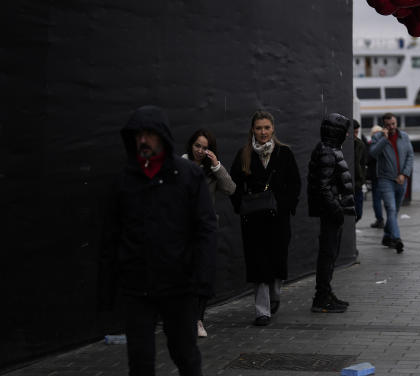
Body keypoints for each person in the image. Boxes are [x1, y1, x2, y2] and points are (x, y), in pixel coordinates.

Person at [99, 105, 216, 376]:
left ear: (162, 136)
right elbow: (110, 236)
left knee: (184, 353)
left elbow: (206, 230)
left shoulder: (188, 176)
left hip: (178, 286)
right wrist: (106, 289)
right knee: (140, 360)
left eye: (149, 134)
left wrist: (203, 279)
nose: (143, 140)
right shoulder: (124, 181)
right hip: (137, 287)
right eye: (138, 135)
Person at [229, 111, 301, 327]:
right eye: (259, 128)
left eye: (266, 127)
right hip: (253, 221)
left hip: (278, 219)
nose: (263, 132)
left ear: (273, 129)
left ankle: (275, 295)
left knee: (277, 261)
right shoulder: (244, 154)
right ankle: (262, 311)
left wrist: (285, 206)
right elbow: (233, 185)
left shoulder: (284, 153)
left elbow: (295, 183)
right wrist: (241, 207)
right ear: (253, 129)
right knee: (258, 264)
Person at [183, 129, 236, 338]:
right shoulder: (181, 166)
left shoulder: (211, 170)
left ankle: (198, 320)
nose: (200, 151)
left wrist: (216, 165)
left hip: (205, 230)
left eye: (205, 148)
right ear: (191, 145)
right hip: (183, 229)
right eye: (197, 146)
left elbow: (230, 189)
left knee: (203, 275)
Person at [307, 113, 356, 313]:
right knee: (328, 255)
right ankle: (321, 298)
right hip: (330, 213)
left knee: (329, 255)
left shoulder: (328, 149)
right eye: (345, 131)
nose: (347, 135)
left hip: (330, 211)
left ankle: (325, 293)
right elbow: (324, 186)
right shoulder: (328, 151)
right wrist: (336, 210)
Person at [368, 113, 414, 253]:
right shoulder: (377, 137)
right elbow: (373, 154)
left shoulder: (404, 137)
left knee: (395, 211)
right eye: (388, 125)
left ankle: (387, 236)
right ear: (384, 126)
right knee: (391, 209)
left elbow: (410, 155)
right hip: (385, 179)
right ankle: (396, 238)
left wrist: (404, 174)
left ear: (396, 123)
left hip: (401, 180)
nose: (392, 127)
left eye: (393, 124)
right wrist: (384, 139)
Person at [366, 124, 385, 229]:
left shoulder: (371, 145)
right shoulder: (385, 143)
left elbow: (368, 159)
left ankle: (379, 219)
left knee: (376, 199)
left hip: (375, 175)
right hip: (385, 175)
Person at [351, 120, 370, 223]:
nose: (355, 135)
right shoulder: (344, 144)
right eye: (354, 132)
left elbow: (363, 163)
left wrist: (362, 178)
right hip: (348, 184)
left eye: (357, 132)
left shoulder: (360, 144)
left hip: (358, 183)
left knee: (359, 213)